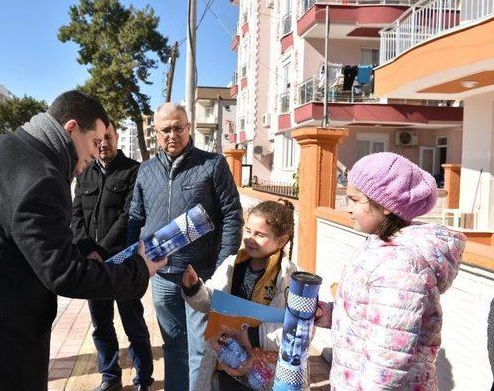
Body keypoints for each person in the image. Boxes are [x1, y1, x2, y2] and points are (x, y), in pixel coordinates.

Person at [0, 91, 167, 391]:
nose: (95, 152)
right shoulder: (41, 176)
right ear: (71, 128)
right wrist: (140, 268)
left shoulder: (0, 148)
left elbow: (21, 241)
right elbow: (64, 274)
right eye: (94, 141)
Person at [315, 152, 465, 389]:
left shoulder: (400, 266)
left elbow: (388, 361)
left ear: (385, 206)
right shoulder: (380, 247)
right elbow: (372, 320)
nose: (347, 207)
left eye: (354, 200)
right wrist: (328, 314)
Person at [127, 102, 243, 391]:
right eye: (165, 129)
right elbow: (135, 217)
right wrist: (132, 264)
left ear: (189, 127)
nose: (172, 134)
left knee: (200, 352)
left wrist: (221, 268)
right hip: (162, 279)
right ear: (156, 132)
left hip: (199, 276)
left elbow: (232, 215)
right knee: (173, 347)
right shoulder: (146, 171)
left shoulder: (212, 164)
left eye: (178, 127)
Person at [181, 200, 306, 391]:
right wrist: (195, 289)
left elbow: (300, 331)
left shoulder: (289, 278)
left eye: (260, 234)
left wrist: (256, 336)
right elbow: (210, 303)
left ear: (282, 240)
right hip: (225, 365)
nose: (250, 238)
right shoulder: (232, 265)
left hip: (263, 373)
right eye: (248, 231)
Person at [71, 121, 153, 391]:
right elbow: (76, 216)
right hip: (93, 263)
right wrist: (87, 249)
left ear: (117, 138)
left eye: (109, 137)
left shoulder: (133, 170)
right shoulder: (84, 172)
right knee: (101, 325)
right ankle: (110, 377)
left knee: (134, 324)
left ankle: (143, 379)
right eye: (99, 139)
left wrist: (103, 250)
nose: (103, 143)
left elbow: (129, 214)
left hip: (123, 263)